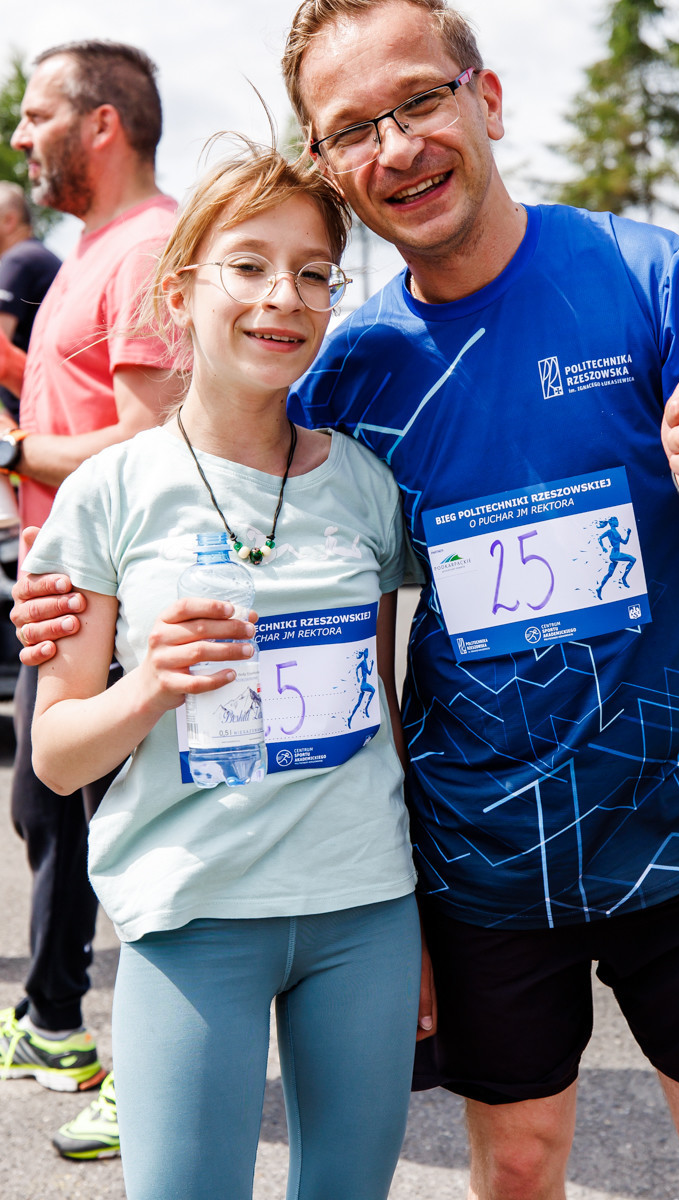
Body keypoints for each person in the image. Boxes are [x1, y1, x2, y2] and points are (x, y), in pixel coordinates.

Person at [14, 1, 679, 1197]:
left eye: (419, 100)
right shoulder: (346, 368)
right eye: (351, 128)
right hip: (478, 857)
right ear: (327, 160)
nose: (394, 146)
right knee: (517, 1165)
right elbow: (281, 559)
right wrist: (82, 600)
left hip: (676, 830)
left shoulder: (648, 276)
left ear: (485, 100)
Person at [20, 137, 420, 1200]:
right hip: (189, 913)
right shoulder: (108, 493)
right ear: (180, 290)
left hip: (365, 909)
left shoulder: (367, 488)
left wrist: (423, 920)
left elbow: (380, 705)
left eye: (312, 273)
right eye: (248, 265)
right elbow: (56, 756)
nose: (281, 296)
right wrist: (148, 685)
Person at [0, 39, 177, 1113]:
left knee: (123, 831)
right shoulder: (89, 248)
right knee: (46, 809)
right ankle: (57, 1021)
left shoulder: (150, 247)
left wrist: (14, 453)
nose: (21, 135)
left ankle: (141, 1068)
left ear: (101, 123)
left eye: (36, 114)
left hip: (112, 600)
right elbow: (79, 396)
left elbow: (145, 436)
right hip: (59, 590)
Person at [0, 182, 60, 422]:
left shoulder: (18, 260)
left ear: (9, 221)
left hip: (38, 417)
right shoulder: (40, 256)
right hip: (48, 410)